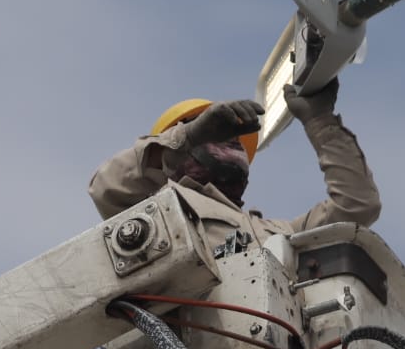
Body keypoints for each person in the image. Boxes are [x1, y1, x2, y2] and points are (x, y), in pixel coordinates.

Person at [88, 80, 381, 254]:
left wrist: (321, 122)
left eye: (237, 141)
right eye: (216, 133)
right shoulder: (151, 216)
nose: (232, 142)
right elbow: (106, 187)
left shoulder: (278, 235)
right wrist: (190, 135)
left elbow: (358, 206)